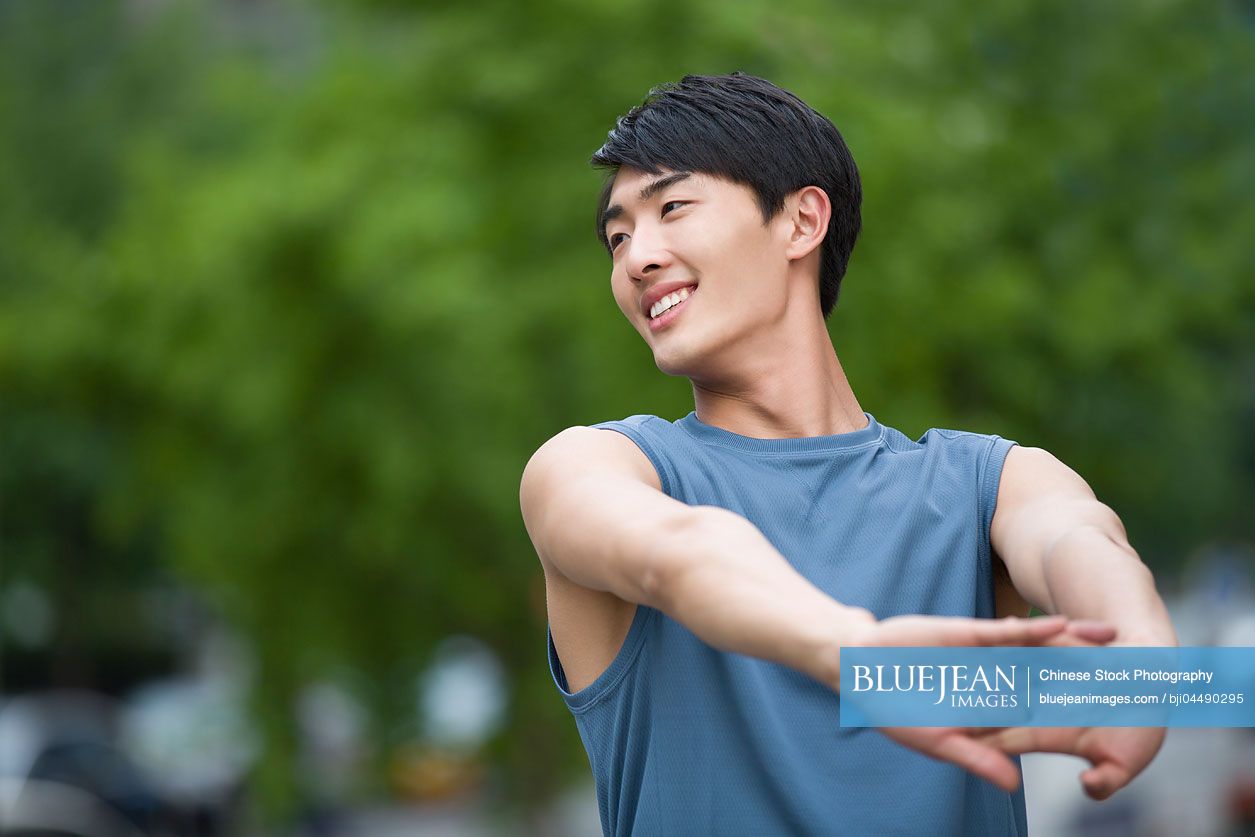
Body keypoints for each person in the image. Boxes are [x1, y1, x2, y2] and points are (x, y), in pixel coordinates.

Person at [518, 72, 1177, 836]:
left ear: (801, 221)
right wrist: (857, 653)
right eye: (618, 236)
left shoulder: (984, 481)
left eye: (671, 208)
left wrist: (1135, 646)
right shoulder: (593, 468)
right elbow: (677, 554)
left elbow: (1077, 538)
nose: (636, 258)